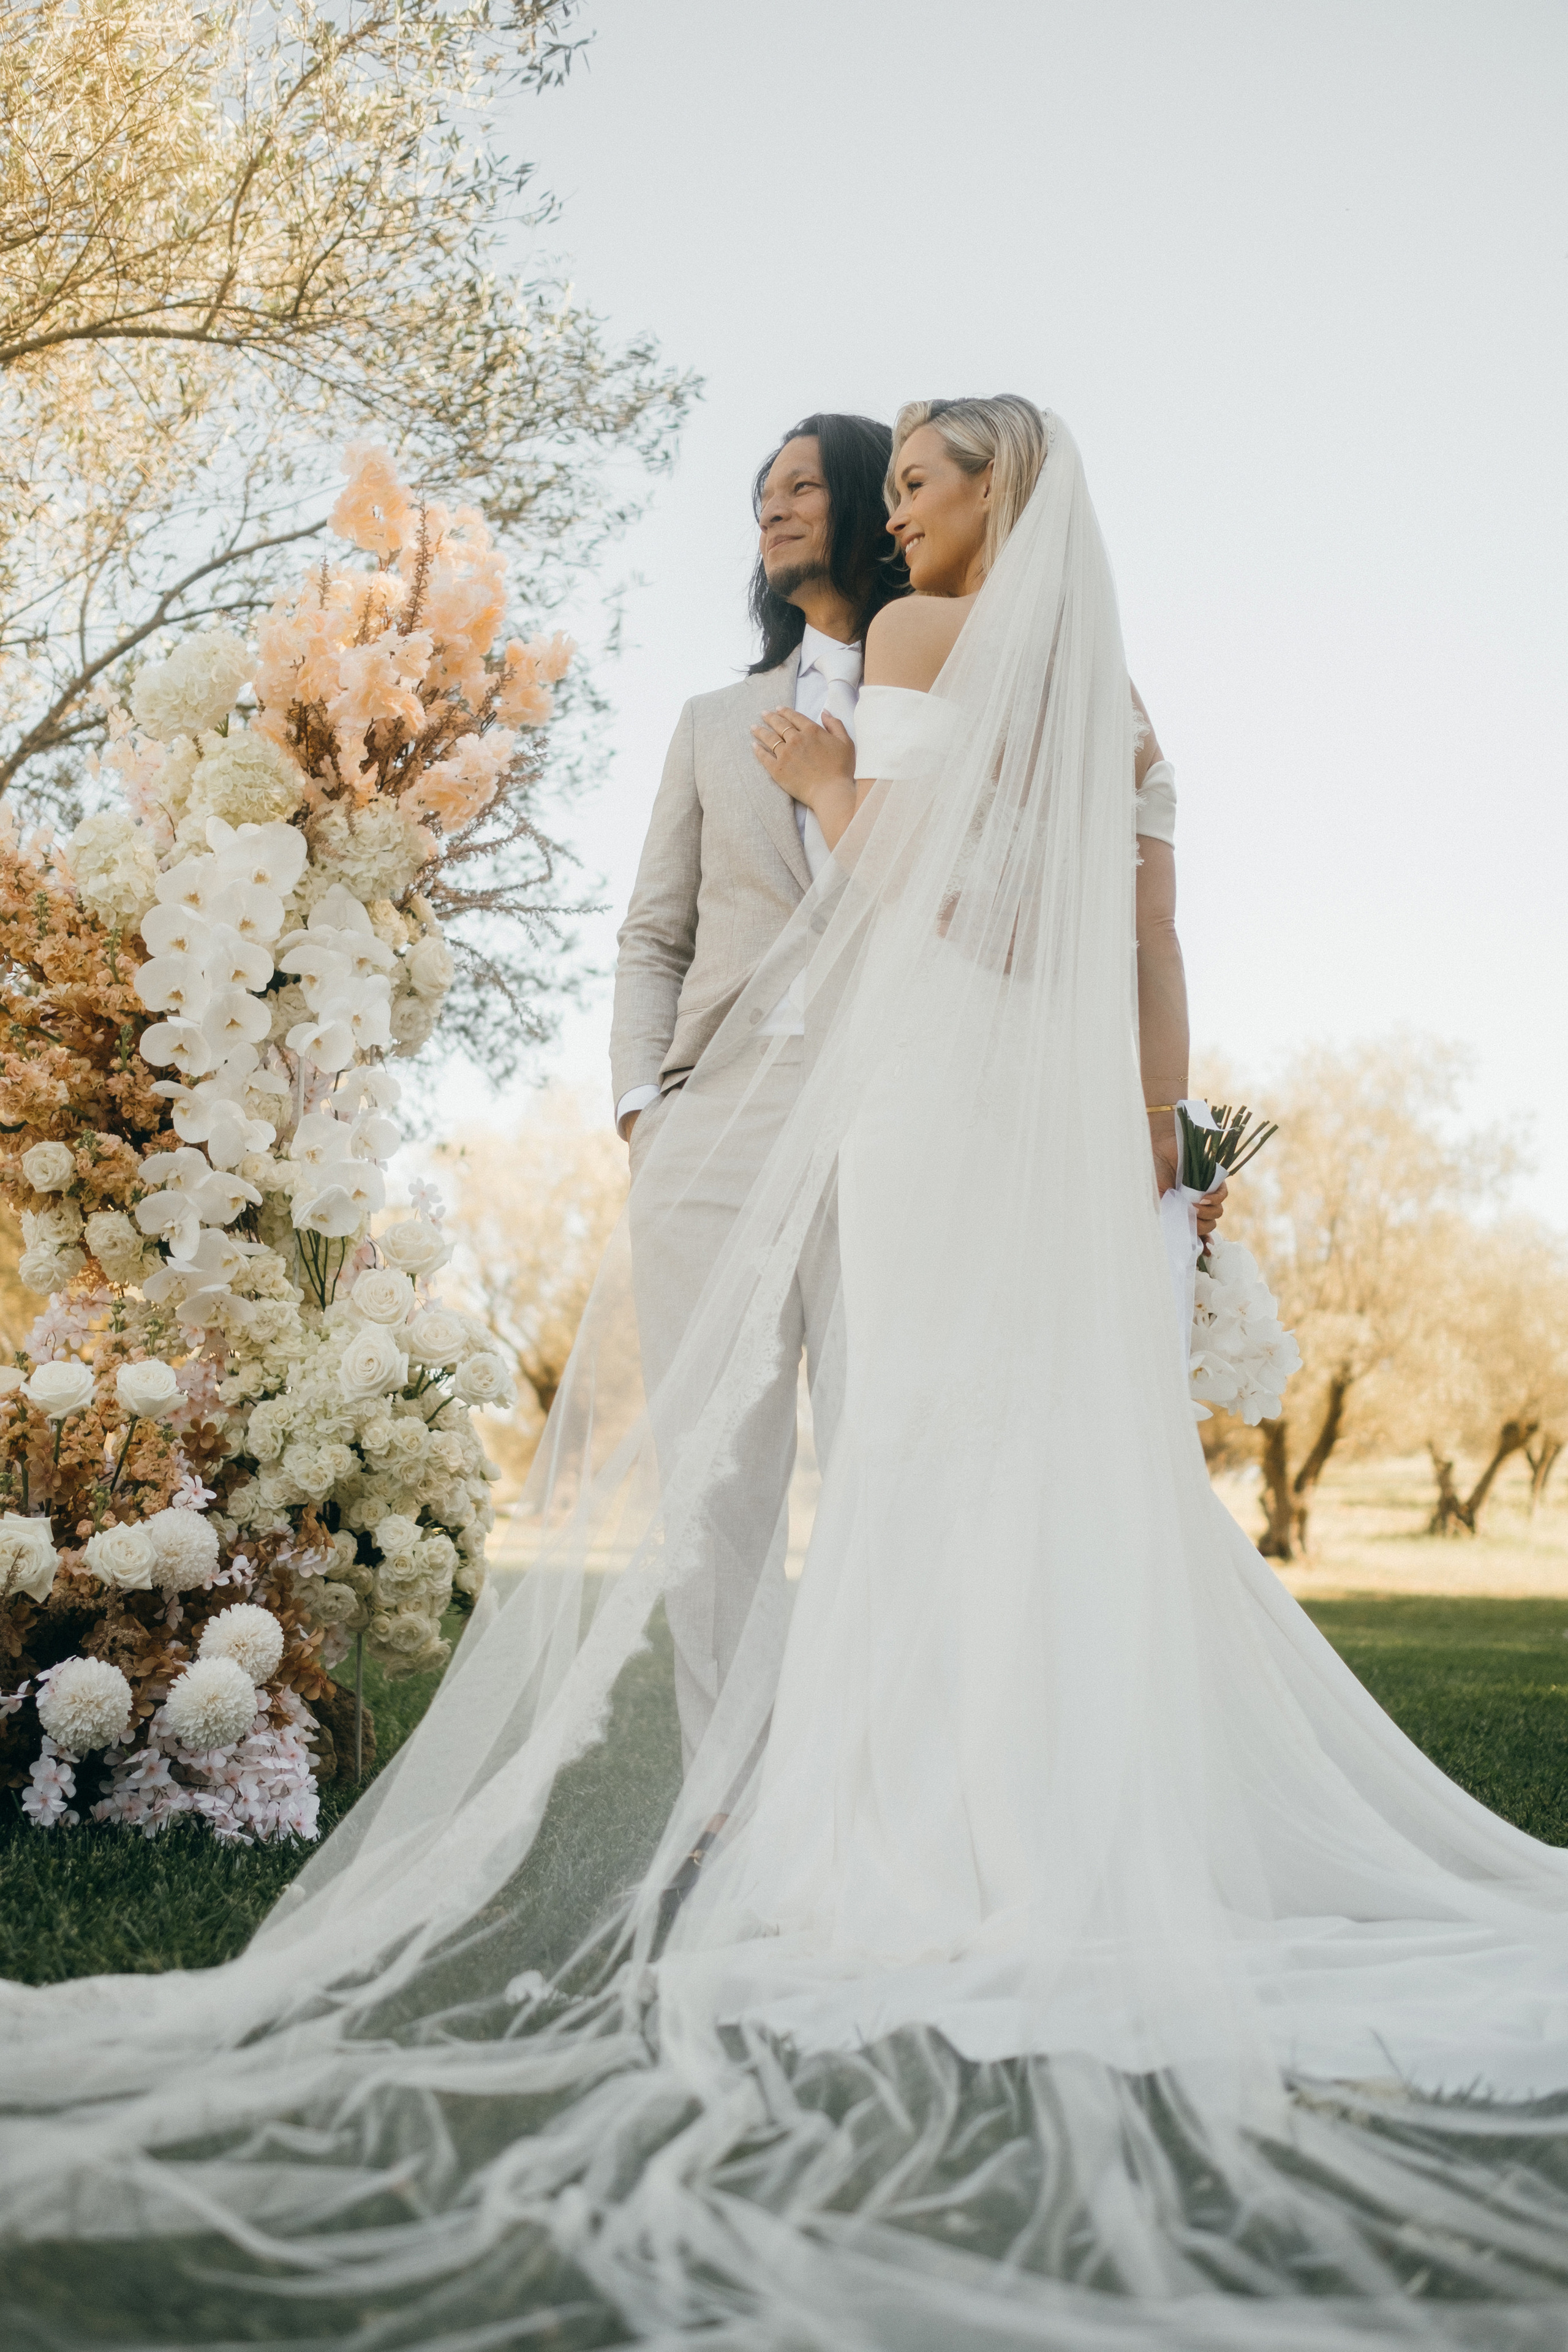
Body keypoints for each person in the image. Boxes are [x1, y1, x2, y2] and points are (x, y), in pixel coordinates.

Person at [8, 399, 1568, 2352]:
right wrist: (1157, 1153)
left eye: (921, 480)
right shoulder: (1118, 695)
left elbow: (924, 890)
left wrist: (836, 792)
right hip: (1032, 1111)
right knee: (1017, 1453)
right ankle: (1036, 1810)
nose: (899, 513)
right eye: (887, 482)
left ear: (999, 493)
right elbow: (1142, 942)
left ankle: (897, 1828)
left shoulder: (918, 653)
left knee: (915, 1441)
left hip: (919, 1096)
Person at [610, 412, 907, 1768]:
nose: (774, 509)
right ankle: (722, 1798)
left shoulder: (941, 702)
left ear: (864, 502)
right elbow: (652, 933)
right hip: (712, 1112)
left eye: (802, 486)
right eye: (759, 494)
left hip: (889, 1110)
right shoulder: (711, 720)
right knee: (715, 1470)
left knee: (882, 1442)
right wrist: (640, 1107)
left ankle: (866, 1791)